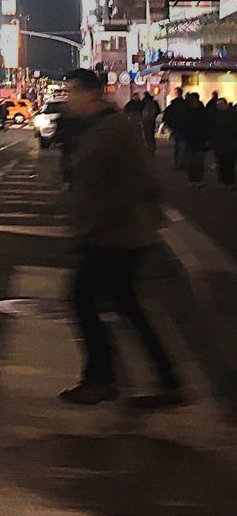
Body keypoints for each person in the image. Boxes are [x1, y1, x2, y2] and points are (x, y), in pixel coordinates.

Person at [59, 68, 182, 408]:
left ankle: (101, 379)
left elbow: (128, 182)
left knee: (83, 298)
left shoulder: (110, 129)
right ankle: (167, 379)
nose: (68, 98)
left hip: (116, 235)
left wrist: (90, 228)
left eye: (72, 91)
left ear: (91, 93)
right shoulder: (100, 127)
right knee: (126, 305)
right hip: (118, 232)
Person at [179, 92, 209, 187]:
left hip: (194, 139)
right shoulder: (201, 111)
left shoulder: (186, 112)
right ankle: (195, 179)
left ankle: (195, 179)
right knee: (195, 160)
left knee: (195, 160)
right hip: (196, 139)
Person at [212, 99, 237, 189]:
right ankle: (223, 181)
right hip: (220, 144)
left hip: (230, 143)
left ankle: (230, 181)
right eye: (218, 105)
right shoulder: (216, 116)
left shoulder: (233, 115)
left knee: (229, 164)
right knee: (221, 164)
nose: (219, 106)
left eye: (221, 104)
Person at [162, 87, 186, 170]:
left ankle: (177, 163)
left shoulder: (173, 104)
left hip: (175, 127)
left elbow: (167, 114)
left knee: (177, 145)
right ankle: (181, 162)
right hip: (183, 127)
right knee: (182, 145)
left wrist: (167, 124)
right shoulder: (184, 104)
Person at [141, 92, 160, 156]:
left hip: (145, 120)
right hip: (152, 120)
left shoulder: (143, 102)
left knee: (146, 134)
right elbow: (158, 111)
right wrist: (154, 116)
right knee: (151, 135)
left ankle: (149, 148)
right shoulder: (154, 102)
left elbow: (139, 110)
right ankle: (152, 148)